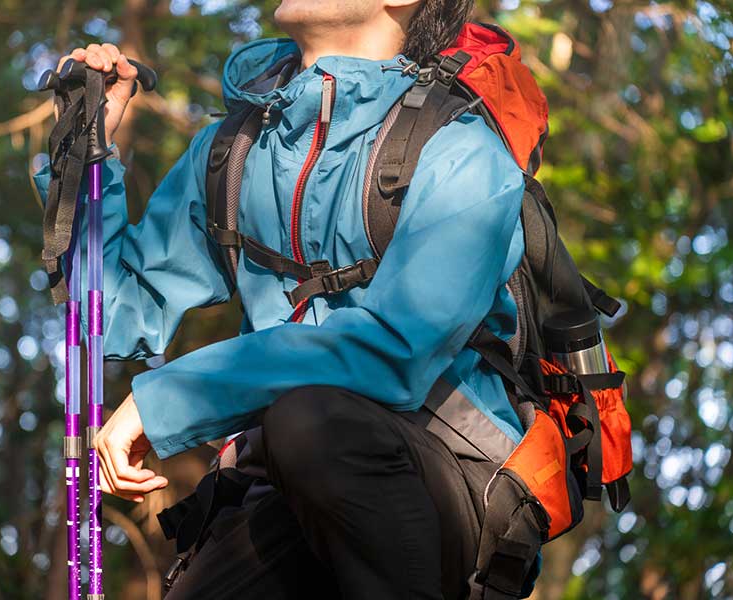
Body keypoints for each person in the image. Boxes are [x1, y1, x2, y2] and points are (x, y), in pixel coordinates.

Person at [35, 0, 530, 597]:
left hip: (443, 474)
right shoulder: (236, 149)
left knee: (311, 422)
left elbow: (393, 351)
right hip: (273, 480)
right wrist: (85, 151)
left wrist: (170, 399)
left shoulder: (462, 150)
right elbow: (112, 318)